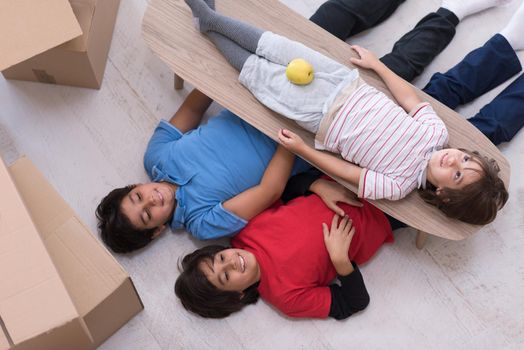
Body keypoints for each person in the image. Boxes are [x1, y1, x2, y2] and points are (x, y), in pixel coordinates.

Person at [183, 0, 508, 224]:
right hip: (344, 83)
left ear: (443, 195)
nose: (455, 161)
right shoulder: (437, 134)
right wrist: (377, 65)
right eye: (466, 160)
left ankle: (208, 23)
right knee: (276, 46)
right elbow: (408, 98)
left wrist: (302, 149)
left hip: (317, 116)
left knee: (259, 75)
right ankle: (211, 21)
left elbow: (346, 172)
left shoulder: (397, 187)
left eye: (457, 175)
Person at [175, 178, 394, 319]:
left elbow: (284, 189)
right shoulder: (287, 298)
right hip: (384, 215)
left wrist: (315, 184)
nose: (231, 262)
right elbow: (354, 302)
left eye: (220, 258)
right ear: (238, 295)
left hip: (344, 175)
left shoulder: (244, 230)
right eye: (225, 276)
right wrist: (340, 262)